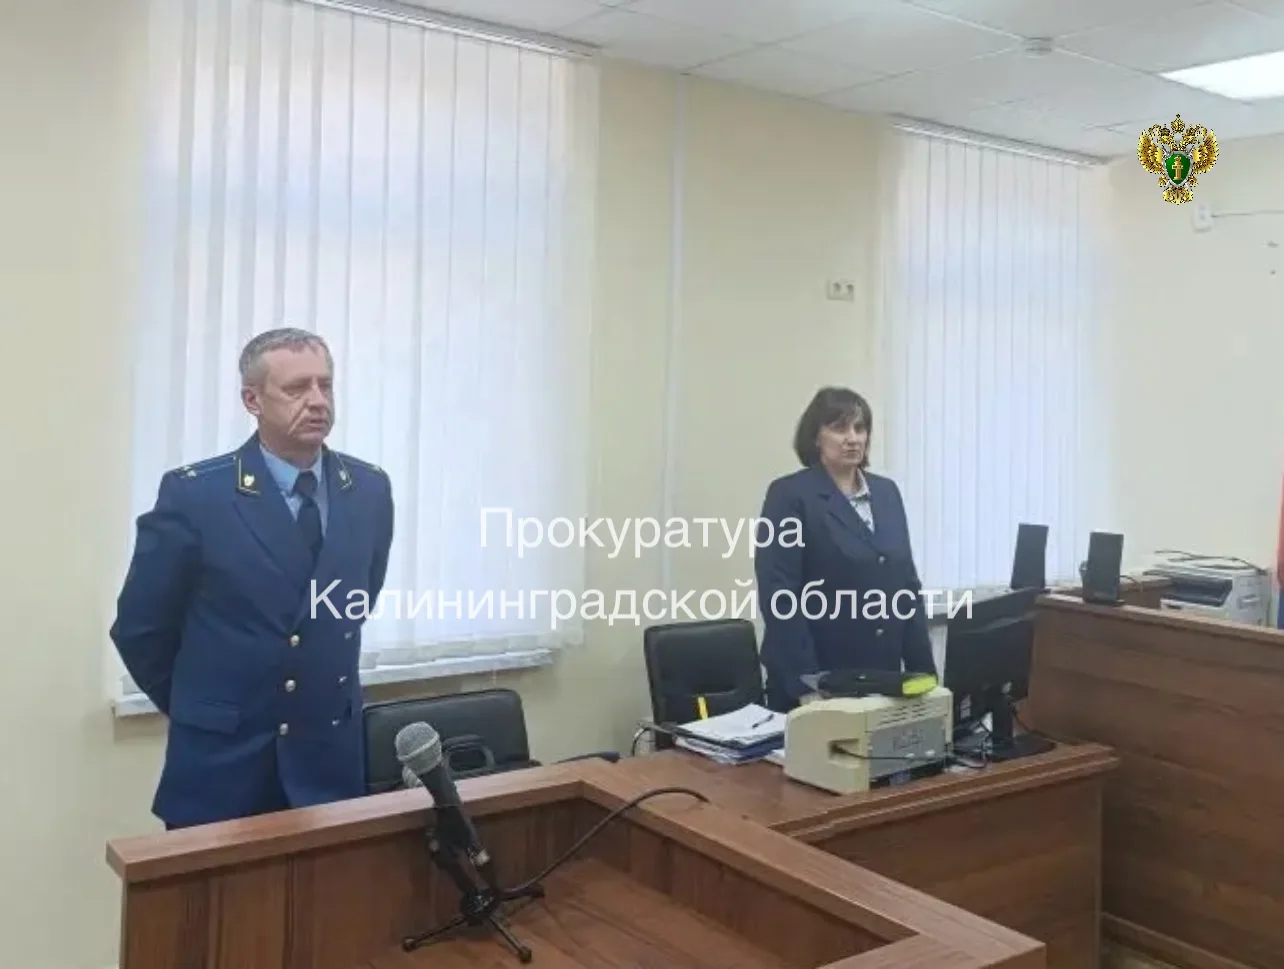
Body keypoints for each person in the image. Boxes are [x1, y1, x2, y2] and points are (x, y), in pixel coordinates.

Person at [110, 328, 395, 829]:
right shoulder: (197, 496)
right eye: (297, 388)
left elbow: (354, 603)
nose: (317, 401)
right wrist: (204, 708)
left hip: (329, 764)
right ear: (252, 400)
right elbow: (140, 628)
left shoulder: (367, 489)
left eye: (325, 385)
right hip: (224, 767)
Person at [754, 387, 935, 712]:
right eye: (839, 428)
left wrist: (926, 675)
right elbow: (779, 595)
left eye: (860, 428)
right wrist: (809, 685)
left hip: (882, 678)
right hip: (820, 679)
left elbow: (907, 585)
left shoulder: (886, 493)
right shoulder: (790, 496)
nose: (852, 438)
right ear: (815, 437)